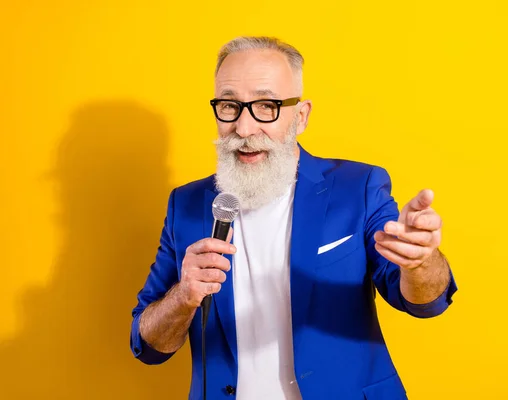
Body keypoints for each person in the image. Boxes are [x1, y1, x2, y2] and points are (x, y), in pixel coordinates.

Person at [130, 36, 457, 400]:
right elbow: (149, 347)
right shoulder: (187, 205)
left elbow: (423, 302)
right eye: (229, 106)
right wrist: (182, 297)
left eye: (266, 106)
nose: (244, 128)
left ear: (300, 116)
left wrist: (421, 262)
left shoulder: (358, 188)